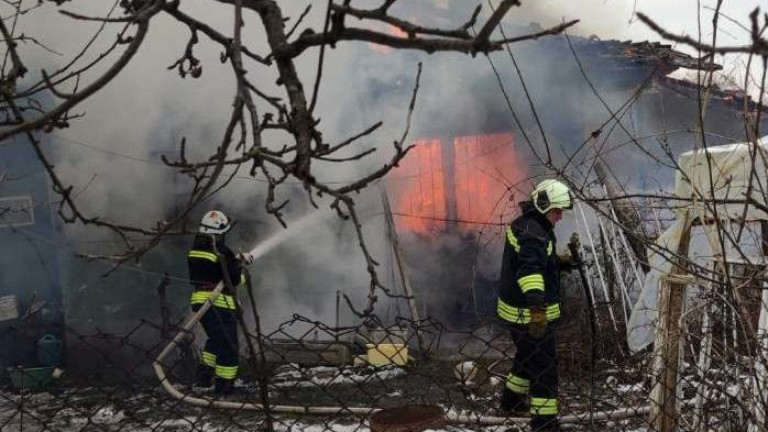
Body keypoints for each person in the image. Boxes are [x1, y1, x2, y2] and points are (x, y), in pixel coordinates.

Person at [496, 179, 573, 432]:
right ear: (543, 205)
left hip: (517, 311)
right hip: (528, 314)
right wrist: (537, 308)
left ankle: (511, 401)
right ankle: (545, 423)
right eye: (557, 211)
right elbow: (529, 271)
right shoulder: (534, 233)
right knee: (544, 367)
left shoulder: (529, 225)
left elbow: (534, 261)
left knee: (526, 357)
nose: (560, 217)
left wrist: (556, 262)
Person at [188, 210, 254, 395]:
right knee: (228, 346)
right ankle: (225, 387)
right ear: (220, 232)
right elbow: (234, 279)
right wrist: (241, 266)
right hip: (219, 304)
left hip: (200, 301)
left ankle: (203, 377)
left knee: (216, 341)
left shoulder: (196, 249)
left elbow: (216, 271)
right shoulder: (221, 250)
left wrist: (236, 261)